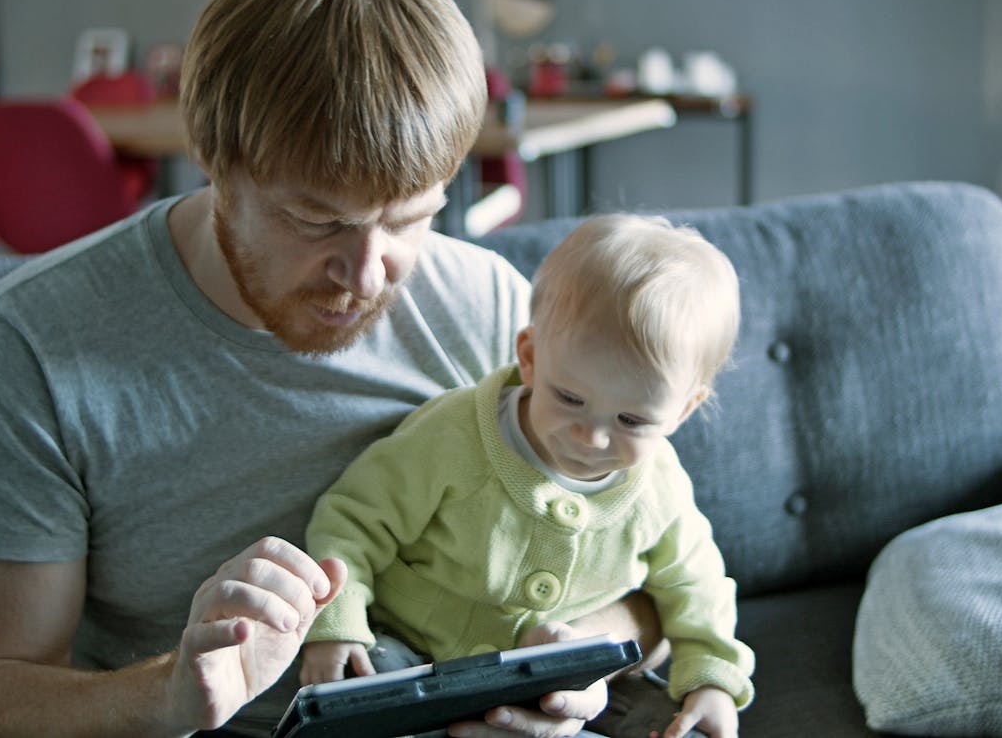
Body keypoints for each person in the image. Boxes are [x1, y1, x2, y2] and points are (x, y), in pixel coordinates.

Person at [0, 0, 653, 736]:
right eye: (317, 220)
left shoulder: (490, 307)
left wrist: (571, 665)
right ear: (210, 157)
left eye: (409, 218)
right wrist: (169, 694)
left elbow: (660, 578)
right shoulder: (32, 338)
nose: (368, 276)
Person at [301, 215, 756, 738]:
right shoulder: (453, 436)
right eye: (570, 399)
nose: (592, 438)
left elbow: (697, 585)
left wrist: (714, 680)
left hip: (565, 688)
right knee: (371, 685)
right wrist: (335, 625)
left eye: (632, 421)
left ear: (684, 410)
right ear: (531, 356)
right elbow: (353, 522)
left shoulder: (660, 489)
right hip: (413, 657)